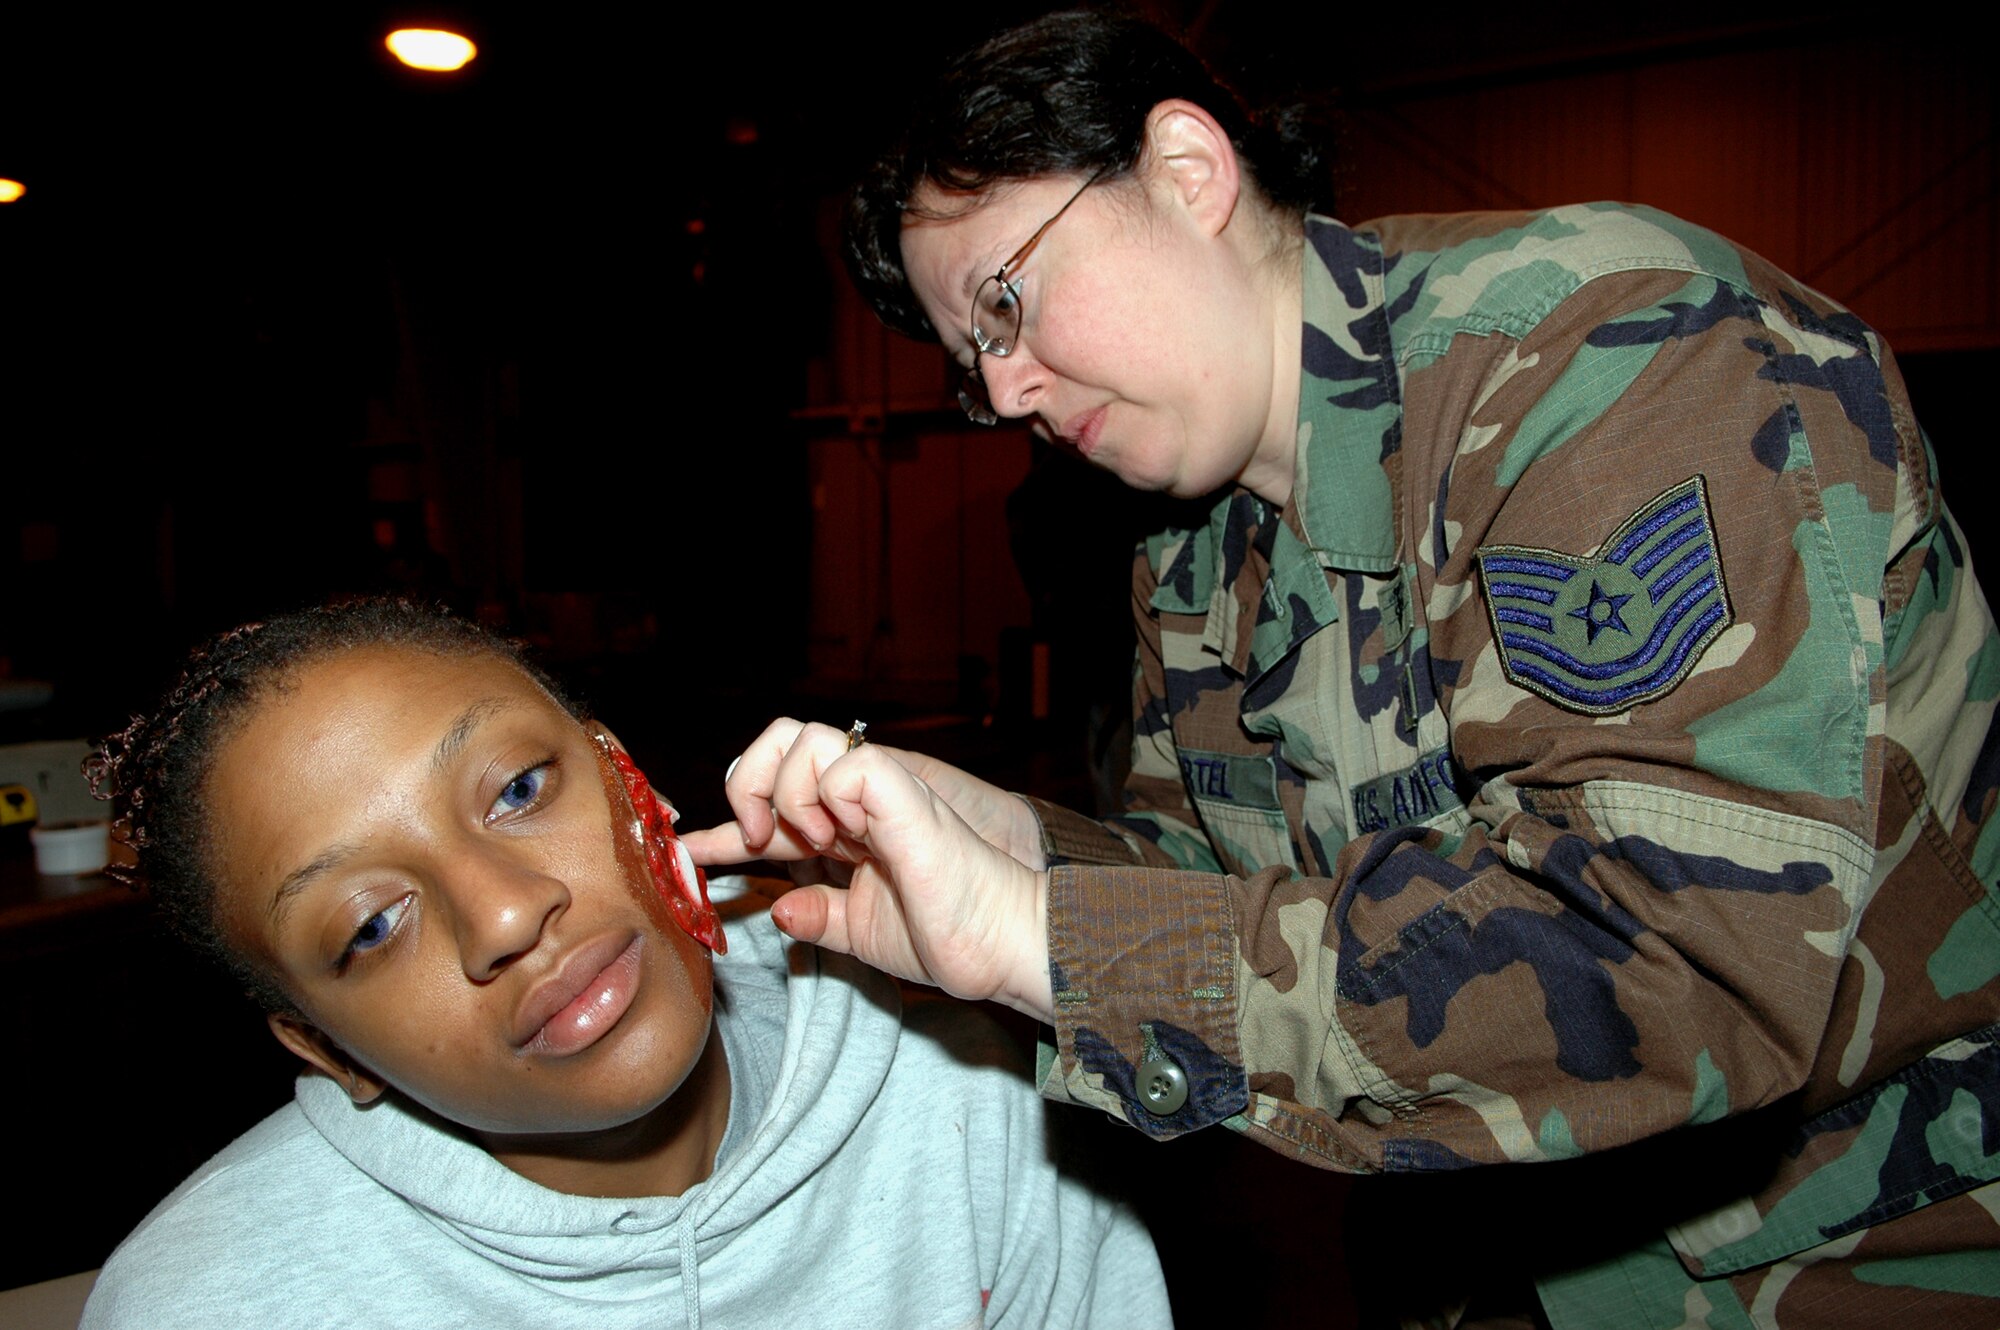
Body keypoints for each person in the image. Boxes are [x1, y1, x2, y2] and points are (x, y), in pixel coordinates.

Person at [682, 10, 2000, 1327]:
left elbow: (1677, 959)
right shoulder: (1191, 540)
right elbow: (1223, 882)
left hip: (1864, 1253)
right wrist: (1015, 851)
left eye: (1008, 302)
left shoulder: (1618, 352)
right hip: (1494, 1254)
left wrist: (1042, 939)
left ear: (1189, 171)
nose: (1010, 388)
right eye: (974, 365)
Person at [79, 599, 1168, 1329]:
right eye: (370, 925)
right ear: (324, 1047)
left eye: (517, 789)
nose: (505, 911)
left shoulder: (974, 1098)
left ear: (621, 769)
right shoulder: (205, 1303)